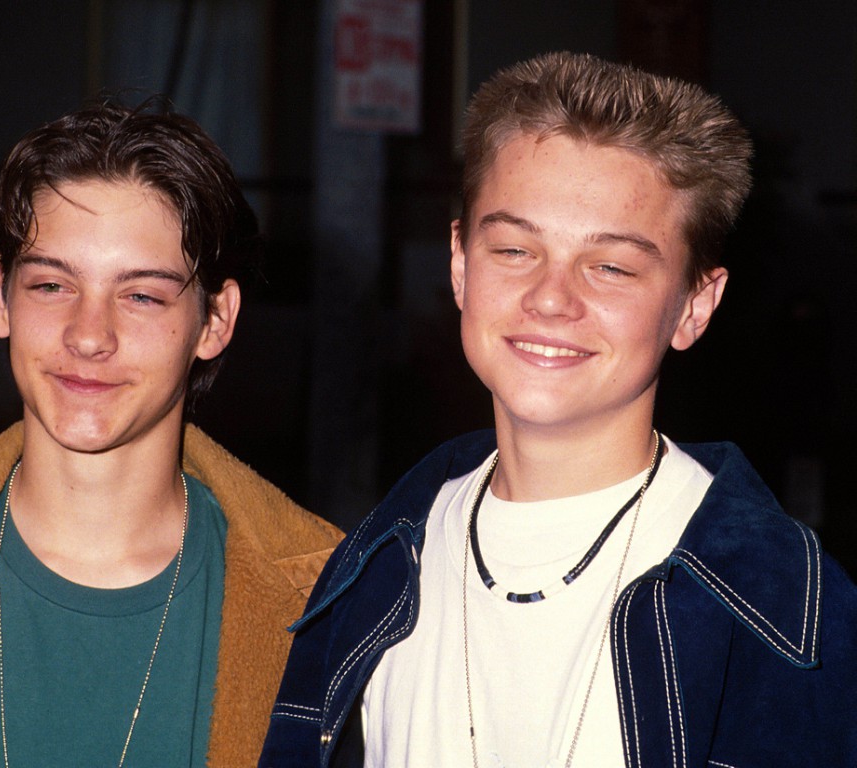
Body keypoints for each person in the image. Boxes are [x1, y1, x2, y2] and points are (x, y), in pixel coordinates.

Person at [261, 52, 857, 767]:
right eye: (514, 249)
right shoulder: (370, 566)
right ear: (459, 263)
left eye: (611, 267)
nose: (550, 298)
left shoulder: (790, 610)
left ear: (695, 305)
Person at [0, 99, 342, 768]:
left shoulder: (332, 608)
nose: (89, 335)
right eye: (51, 285)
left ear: (215, 321)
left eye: (141, 295)